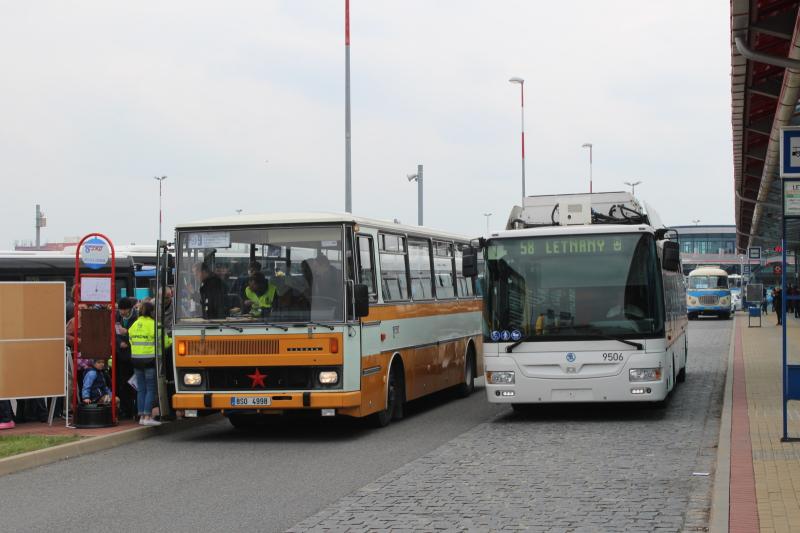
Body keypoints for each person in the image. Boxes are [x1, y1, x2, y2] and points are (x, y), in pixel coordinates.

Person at [128, 301, 172, 426]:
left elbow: (131, 340)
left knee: (141, 389)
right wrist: (171, 339)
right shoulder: (155, 326)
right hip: (150, 361)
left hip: (136, 360)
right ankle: (148, 416)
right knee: (151, 389)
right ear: (152, 312)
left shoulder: (134, 325)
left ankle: (141, 416)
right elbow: (165, 343)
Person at [115, 298, 138, 417]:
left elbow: (139, 333)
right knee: (122, 383)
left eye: (124, 310)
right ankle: (125, 409)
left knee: (133, 383)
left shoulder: (137, 317)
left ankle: (135, 408)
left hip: (132, 355)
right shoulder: (116, 317)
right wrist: (119, 343)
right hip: (120, 355)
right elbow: (114, 332)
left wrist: (127, 334)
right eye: (120, 309)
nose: (122, 312)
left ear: (130, 309)